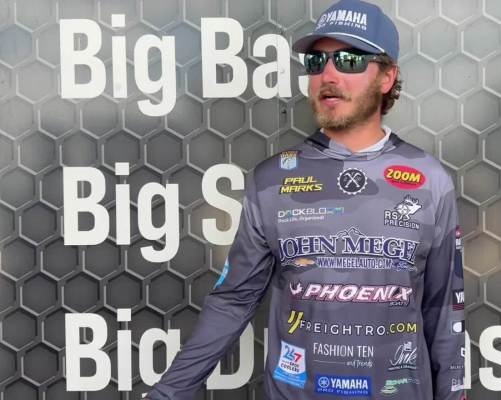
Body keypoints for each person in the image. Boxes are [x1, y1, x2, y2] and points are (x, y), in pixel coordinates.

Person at [146, 0, 465, 399]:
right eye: (317, 62)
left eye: (349, 60)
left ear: (387, 77)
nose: (328, 74)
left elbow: (444, 313)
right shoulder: (272, 181)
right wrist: (167, 393)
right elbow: (233, 302)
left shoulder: (429, 180)